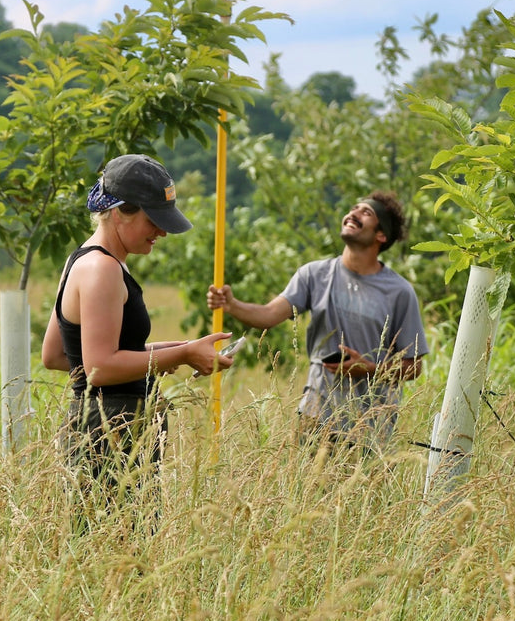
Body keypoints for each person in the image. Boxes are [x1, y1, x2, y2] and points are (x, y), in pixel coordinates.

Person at [42, 153, 233, 520]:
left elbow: (59, 354)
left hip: (94, 426)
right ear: (119, 211)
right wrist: (179, 357)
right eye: (153, 221)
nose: (161, 231)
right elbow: (99, 366)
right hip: (110, 431)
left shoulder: (82, 259)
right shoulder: (103, 269)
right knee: (123, 555)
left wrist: (183, 349)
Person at [206, 191, 427, 447]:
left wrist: (367, 369)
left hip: (370, 428)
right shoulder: (314, 274)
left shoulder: (400, 292)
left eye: (366, 212)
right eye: (353, 208)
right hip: (315, 416)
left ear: (381, 235)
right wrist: (231, 305)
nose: (353, 213)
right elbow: (268, 315)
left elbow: (414, 367)